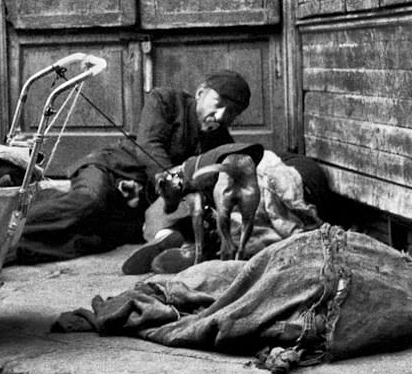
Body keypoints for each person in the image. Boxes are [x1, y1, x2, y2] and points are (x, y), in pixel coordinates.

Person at [15, 70, 253, 265]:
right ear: (201, 93)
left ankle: (15, 250)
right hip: (110, 169)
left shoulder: (223, 144)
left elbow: (211, 183)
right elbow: (150, 144)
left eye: (231, 113)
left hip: (134, 205)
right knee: (90, 203)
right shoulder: (166, 100)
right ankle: (6, 232)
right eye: (218, 105)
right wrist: (171, 180)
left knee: (96, 239)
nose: (221, 116)